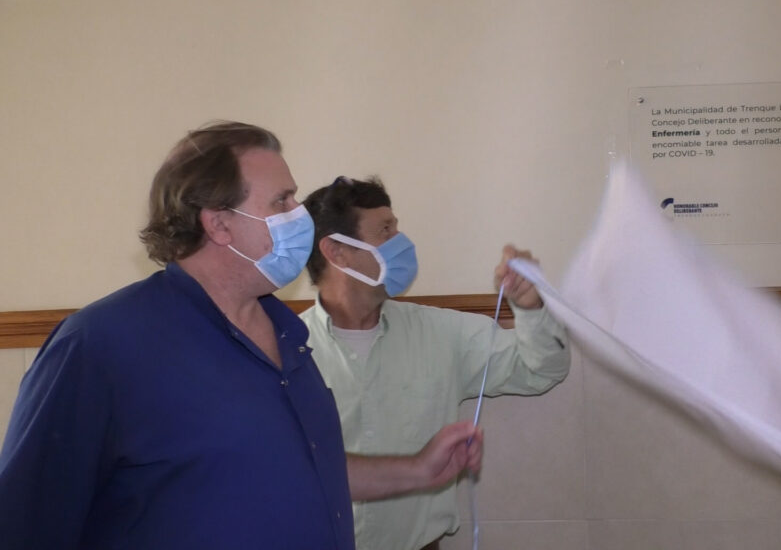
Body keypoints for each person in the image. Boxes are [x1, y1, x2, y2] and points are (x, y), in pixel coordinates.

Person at [0, 121, 481, 550]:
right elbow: (26, 524)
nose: (301, 215)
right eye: (282, 201)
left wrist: (418, 469)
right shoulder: (100, 346)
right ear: (219, 223)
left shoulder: (289, 335)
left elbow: (305, 466)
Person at [300, 175, 571, 550]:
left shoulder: (442, 333)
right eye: (385, 230)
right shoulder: (286, 351)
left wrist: (530, 307)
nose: (402, 242)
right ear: (337, 252)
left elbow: (542, 370)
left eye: (397, 227)